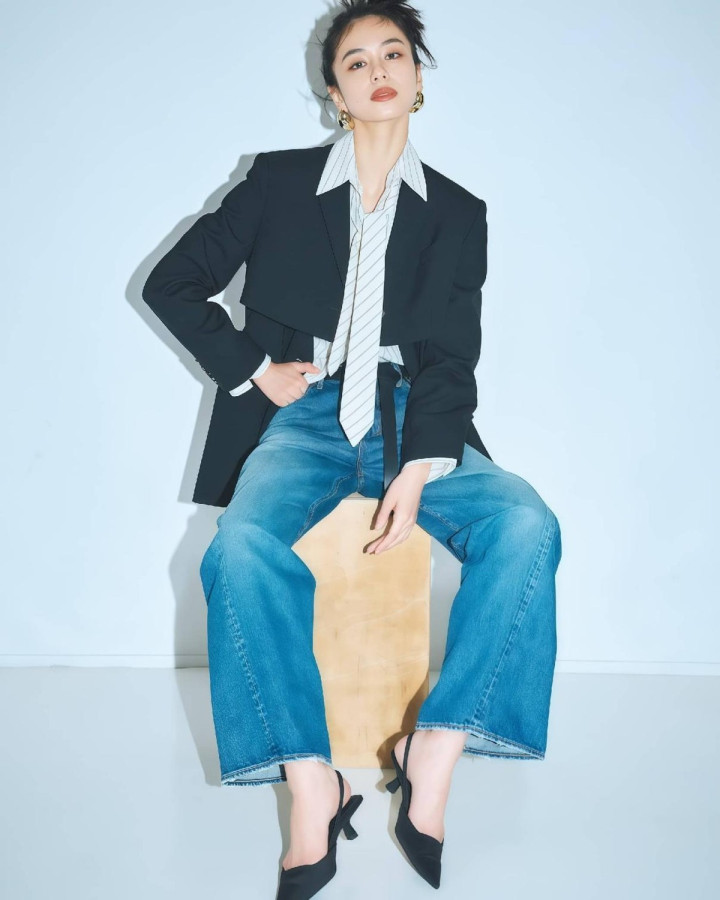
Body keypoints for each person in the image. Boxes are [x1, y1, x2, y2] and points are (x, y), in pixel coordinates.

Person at [142, 1, 563, 896]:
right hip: (302, 413)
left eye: (394, 54)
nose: (378, 71)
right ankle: (312, 781)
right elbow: (173, 283)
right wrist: (255, 369)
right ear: (335, 92)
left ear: (418, 76)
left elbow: (453, 354)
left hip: (414, 413)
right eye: (356, 61)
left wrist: (422, 463)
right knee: (240, 548)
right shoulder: (276, 183)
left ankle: (434, 747)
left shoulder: (458, 213)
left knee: (526, 525)